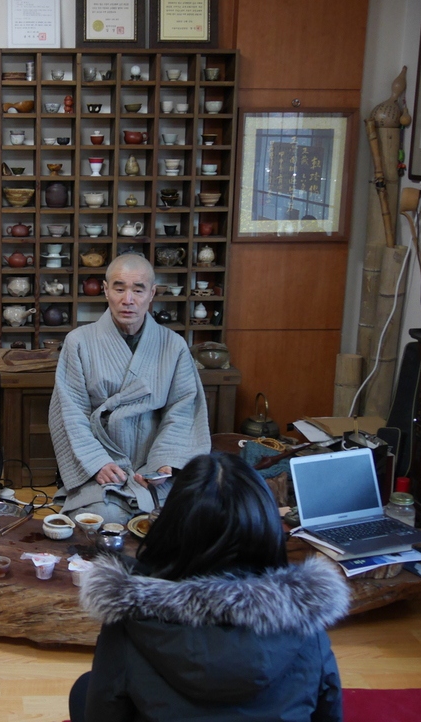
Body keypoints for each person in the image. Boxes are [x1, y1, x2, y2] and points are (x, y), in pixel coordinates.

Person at [69, 453, 349, 722]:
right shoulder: (305, 613)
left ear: (172, 528)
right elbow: (328, 711)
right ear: (266, 527)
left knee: (84, 690)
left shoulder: (130, 617)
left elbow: (103, 713)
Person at [48, 253, 211, 524]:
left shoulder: (173, 345)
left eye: (138, 289)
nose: (128, 300)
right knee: (105, 518)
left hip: (153, 462)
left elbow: (183, 409)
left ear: (152, 293)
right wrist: (96, 462)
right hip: (102, 464)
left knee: (191, 517)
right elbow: (69, 411)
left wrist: (165, 460)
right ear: (105, 290)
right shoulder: (78, 342)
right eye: (119, 288)